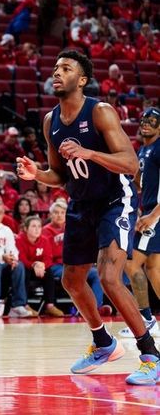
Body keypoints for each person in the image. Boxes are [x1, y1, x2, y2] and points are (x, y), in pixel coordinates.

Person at [16, 50, 159, 385]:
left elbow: (131, 163)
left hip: (114, 200)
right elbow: (59, 175)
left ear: (81, 80)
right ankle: (103, 343)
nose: (56, 72)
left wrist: (89, 153)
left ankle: (151, 355)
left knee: (110, 278)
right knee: (72, 281)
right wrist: (36, 173)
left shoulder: (101, 112)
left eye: (65, 68)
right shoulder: (51, 121)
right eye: (54, 68)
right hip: (80, 204)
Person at [121, 107, 160, 339]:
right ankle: (149, 319)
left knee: (131, 264)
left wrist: (153, 215)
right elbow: (142, 184)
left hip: (156, 216)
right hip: (149, 213)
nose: (146, 123)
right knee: (154, 268)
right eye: (144, 119)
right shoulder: (144, 150)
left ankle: (146, 319)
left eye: (152, 121)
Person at [16, 215, 64, 317]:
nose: (37, 229)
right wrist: (34, 264)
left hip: (39, 269)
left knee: (49, 272)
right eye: (33, 226)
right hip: (26, 269)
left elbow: (48, 258)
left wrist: (42, 264)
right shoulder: (19, 239)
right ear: (25, 228)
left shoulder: (44, 240)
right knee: (24, 271)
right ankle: (24, 304)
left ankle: (50, 305)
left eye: (39, 226)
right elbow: (21, 259)